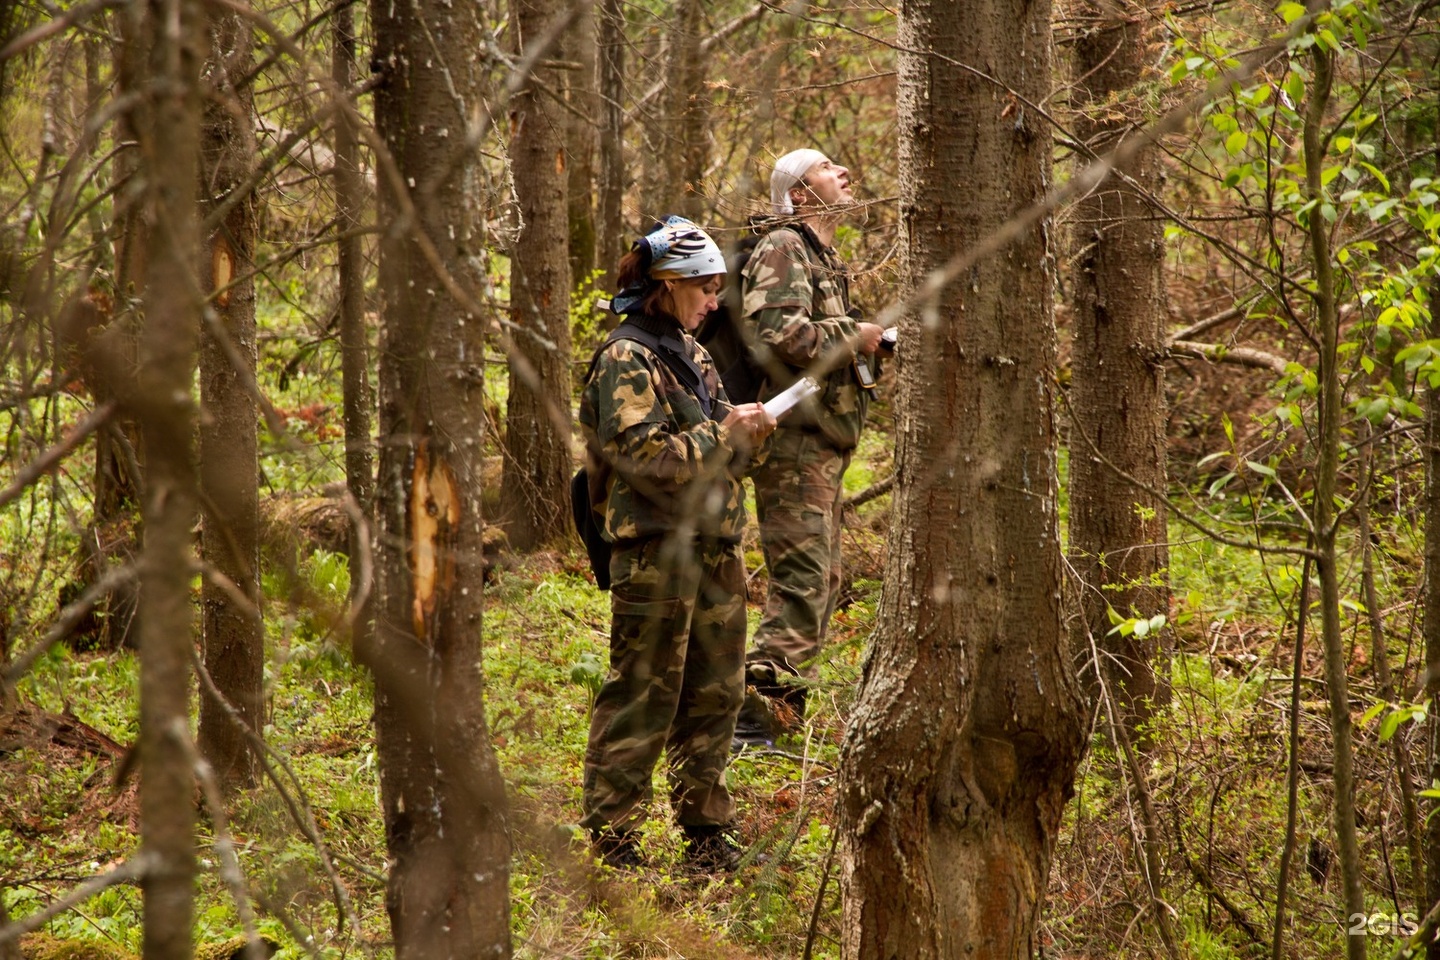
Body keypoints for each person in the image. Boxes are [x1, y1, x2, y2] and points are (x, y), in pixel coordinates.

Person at [577, 216, 775, 872]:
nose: (716, 298)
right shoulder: (625, 356)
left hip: (717, 548)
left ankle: (705, 832)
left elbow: (721, 450)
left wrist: (750, 432)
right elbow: (649, 461)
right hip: (657, 552)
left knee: (715, 693)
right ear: (668, 284)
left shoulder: (694, 355)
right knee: (644, 691)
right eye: (705, 286)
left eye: (719, 285)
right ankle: (614, 837)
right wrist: (727, 435)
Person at [732, 149, 885, 748]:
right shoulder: (784, 246)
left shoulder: (823, 255)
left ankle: (783, 715)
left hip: (823, 443)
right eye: (826, 168)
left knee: (820, 580)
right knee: (801, 580)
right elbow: (775, 331)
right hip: (794, 445)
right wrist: (857, 333)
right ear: (798, 194)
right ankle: (755, 722)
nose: (845, 172)